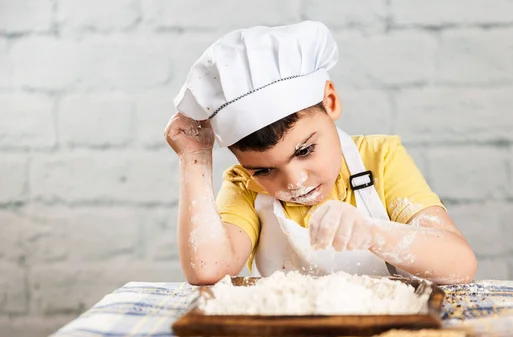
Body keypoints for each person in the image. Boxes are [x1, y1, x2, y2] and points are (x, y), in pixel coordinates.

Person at [164, 21, 477, 285]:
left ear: (331, 101)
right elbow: (208, 270)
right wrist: (195, 159)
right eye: (264, 170)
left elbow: (460, 264)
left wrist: (374, 233)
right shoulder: (244, 185)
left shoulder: (380, 159)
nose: (295, 181)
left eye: (305, 150)